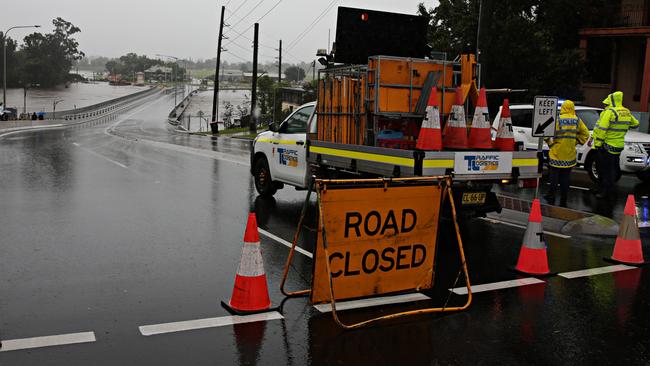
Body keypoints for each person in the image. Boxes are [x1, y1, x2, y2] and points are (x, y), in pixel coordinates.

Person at [592, 91, 639, 198]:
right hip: (618, 145)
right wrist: (624, 126)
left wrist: (598, 144)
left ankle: (605, 192)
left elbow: (602, 129)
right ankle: (607, 190)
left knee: (605, 170)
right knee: (612, 169)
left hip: (607, 145)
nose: (605, 105)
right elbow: (636, 124)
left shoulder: (610, 112)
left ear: (611, 101)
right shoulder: (626, 111)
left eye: (606, 103)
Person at [543, 100, 589, 207]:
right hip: (569, 154)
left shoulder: (557, 119)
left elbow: (545, 134)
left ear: (563, 108)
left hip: (556, 153)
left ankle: (551, 195)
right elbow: (586, 134)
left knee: (554, 176)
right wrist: (577, 142)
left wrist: (550, 144)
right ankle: (564, 197)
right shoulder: (577, 120)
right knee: (565, 177)